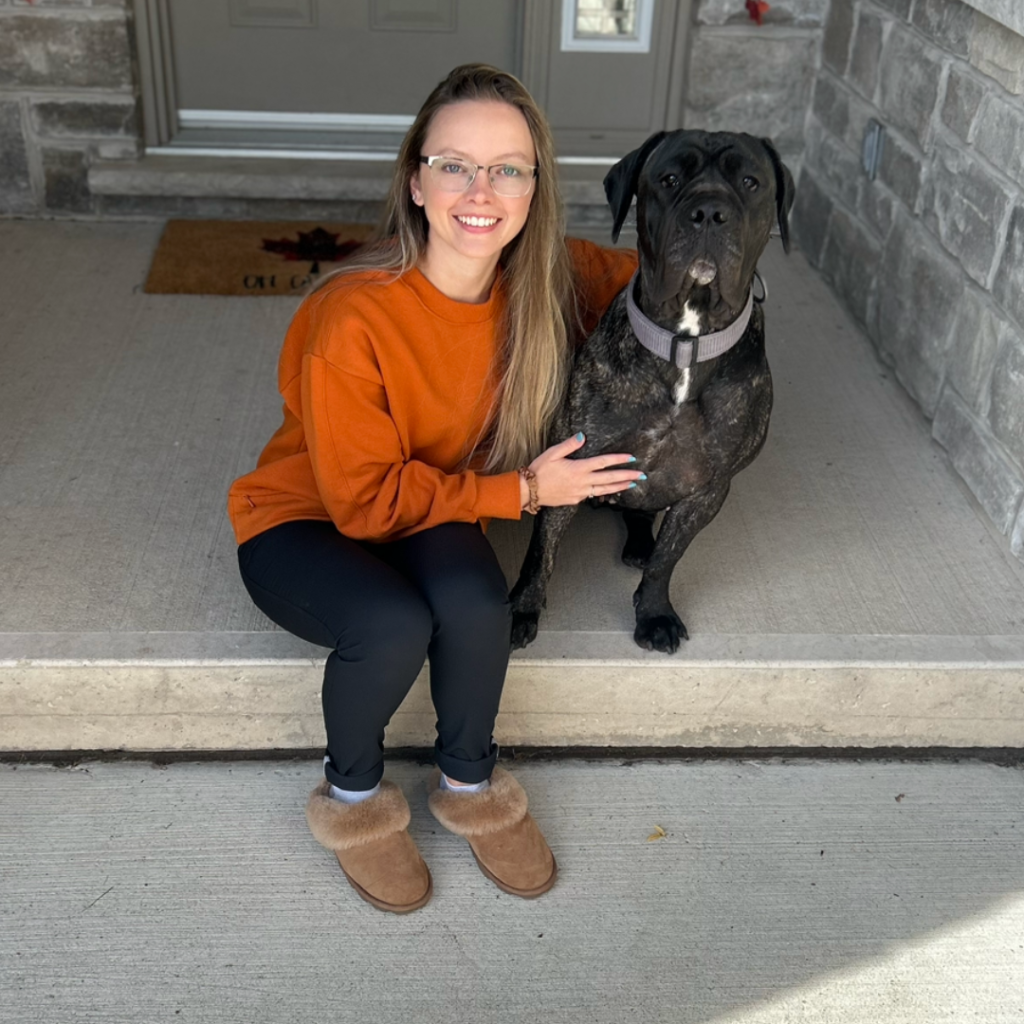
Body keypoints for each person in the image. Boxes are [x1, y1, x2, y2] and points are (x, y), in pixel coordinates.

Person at [227, 63, 642, 913]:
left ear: (534, 189)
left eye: (508, 168)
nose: (480, 190)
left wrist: (729, 287)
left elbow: (656, 280)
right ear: (416, 180)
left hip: (434, 497)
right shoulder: (355, 314)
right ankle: (354, 804)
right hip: (307, 518)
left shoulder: (546, 280)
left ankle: (469, 785)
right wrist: (522, 491)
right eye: (455, 164)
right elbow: (364, 503)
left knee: (476, 603)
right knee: (391, 622)